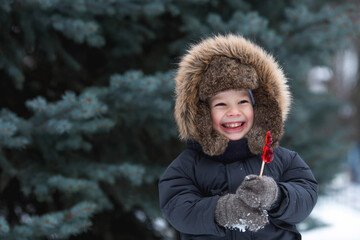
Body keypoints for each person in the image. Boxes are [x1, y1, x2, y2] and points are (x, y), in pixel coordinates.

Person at [158, 34, 318, 240]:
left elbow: (305, 196)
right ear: (203, 115)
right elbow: (178, 209)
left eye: (242, 102)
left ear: (260, 108)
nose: (233, 112)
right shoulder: (186, 167)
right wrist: (222, 211)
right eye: (221, 104)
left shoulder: (285, 160)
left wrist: (276, 195)